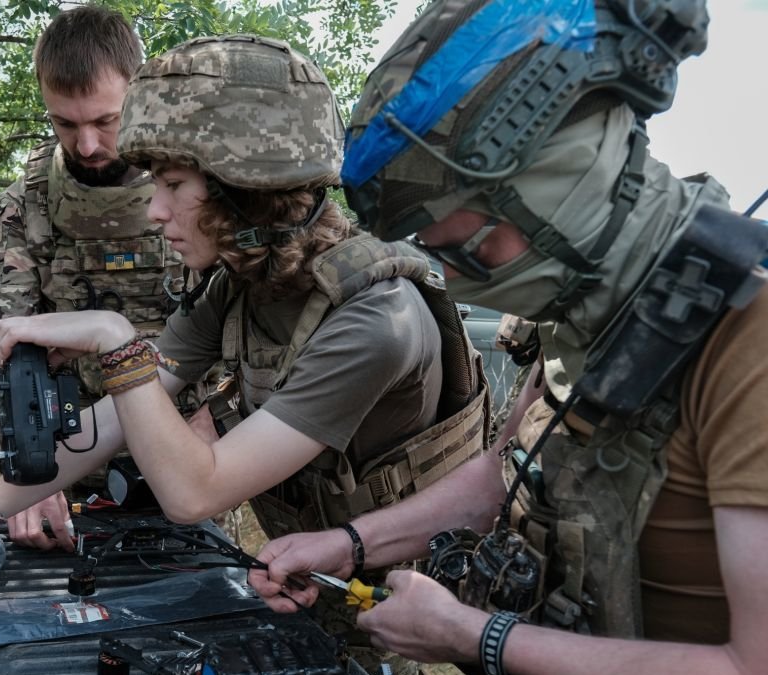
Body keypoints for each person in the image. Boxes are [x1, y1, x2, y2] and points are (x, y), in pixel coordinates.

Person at [0, 34, 488, 664]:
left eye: (173, 184)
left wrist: (111, 336)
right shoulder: (243, 284)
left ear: (245, 188)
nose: (153, 211)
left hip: (430, 616)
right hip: (322, 582)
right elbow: (106, 423)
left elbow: (192, 491)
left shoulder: (375, 316)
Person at [248, 1, 768, 673]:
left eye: (473, 247)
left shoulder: (744, 333)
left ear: (556, 188)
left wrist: (473, 635)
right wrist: (346, 543)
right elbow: (499, 475)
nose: (461, 284)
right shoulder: (584, 309)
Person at [0, 6, 199, 544]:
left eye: (106, 120)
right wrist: (25, 466)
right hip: (62, 457)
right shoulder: (25, 208)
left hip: (184, 452)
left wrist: (214, 417)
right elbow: (7, 346)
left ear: (140, 94)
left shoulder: (194, 193)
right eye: (65, 124)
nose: (88, 146)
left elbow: (235, 328)